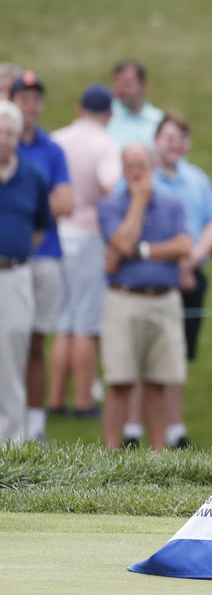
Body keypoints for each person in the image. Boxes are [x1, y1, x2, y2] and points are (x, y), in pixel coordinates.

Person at [97, 142, 190, 451]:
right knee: (120, 380)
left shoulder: (172, 205)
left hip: (164, 300)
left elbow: (183, 245)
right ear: (123, 171)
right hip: (124, 299)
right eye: (130, 166)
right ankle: (109, 455)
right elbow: (122, 242)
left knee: (159, 381)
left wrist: (143, 251)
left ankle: (158, 455)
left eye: (142, 165)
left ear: (152, 167)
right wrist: (138, 201)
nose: (136, 172)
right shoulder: (110, 205)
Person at [46, 84, 120, 420]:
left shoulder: (57, 139)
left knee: (64, 321)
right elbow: (111, 186)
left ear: (79, 110)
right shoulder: (105, 145)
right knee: (86, 324)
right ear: (109, 114)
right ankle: (82, 401)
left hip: (58, 233)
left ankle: (56, 399)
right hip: (88, 235)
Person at [146, 113, 212, 449]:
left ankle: (174, 429)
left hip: (191, 277)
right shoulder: (145, 178)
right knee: (147, 357)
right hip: (154, 278)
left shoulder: (197, 179)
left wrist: (193, 258)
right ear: (156, 140)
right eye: (169, 138)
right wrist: (175, 262)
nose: (175, 144)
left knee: (176, 356)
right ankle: (135, 428)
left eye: (180, 138)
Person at [10, 72, 71, 443]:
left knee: (35, 341)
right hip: (10, 261)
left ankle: (35, 424)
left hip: (45, 255)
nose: (30, 107)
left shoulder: (52, 149)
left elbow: (66, 202)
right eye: (24, 99)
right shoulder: (6, 145)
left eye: (35, 100)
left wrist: (21, 208)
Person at [0, 100, 53, 443]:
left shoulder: (32, 177)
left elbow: (39, 228)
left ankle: (11, 446)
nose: (4, 139)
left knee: (12, 357)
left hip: (15, 276)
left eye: (10, 133)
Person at [106, 58, 163, 148]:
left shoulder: (159, 121)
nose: (121, 90)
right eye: (118, 83)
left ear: (144, 85)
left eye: (127, 84)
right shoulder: (104, 116)